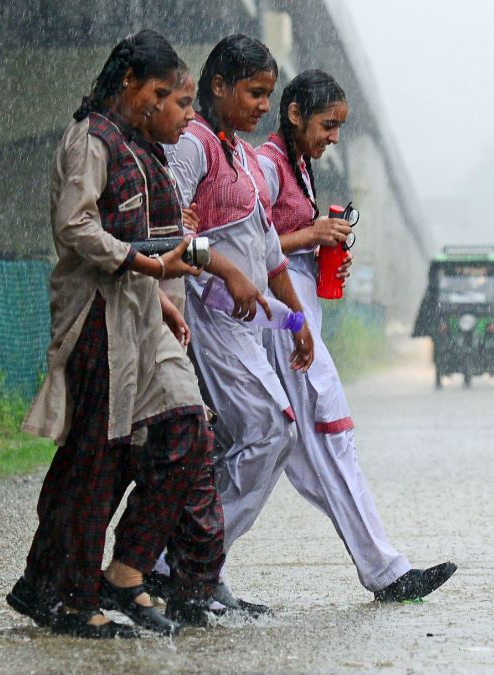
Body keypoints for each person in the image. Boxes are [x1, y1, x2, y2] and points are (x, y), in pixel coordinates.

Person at [7, 30, 253, 639]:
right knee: (95, 457)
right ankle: (69, 594)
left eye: (181, 97)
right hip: (97, 314)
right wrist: (150, 272)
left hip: (138, 313)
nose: (177, 109)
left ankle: (108, 575)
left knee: (172, 437)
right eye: (167, 94)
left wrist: (160, 295)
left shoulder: (142, 147)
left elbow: (162, 240)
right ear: (131, 85)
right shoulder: (91, 139)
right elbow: (77, 227)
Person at [256, 69, 456, 601]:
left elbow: (279, 245)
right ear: (295, 113)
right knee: (326, 437)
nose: (334, 139)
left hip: (297, 313)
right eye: (328, 125)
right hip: (285, 319)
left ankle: (174, 569)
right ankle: (387, 571)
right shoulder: (267, 166)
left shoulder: (297, 166)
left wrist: (318, 251)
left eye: (341, 128)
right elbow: (246, 246)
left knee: (270, 451)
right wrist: (311, 235)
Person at [155, 33, 314, 616]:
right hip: (209, 316)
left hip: (249, 326)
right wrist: (223, 270)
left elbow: (269, 252)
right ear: (217, 86)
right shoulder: (192, 145)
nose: (262, 107)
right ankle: (184, 569)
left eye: (268, 95)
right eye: (253, 92)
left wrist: (296, 316)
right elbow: (169, 232)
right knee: (269, 433)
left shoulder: (242, 156)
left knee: (240, 443)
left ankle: (186, 567)